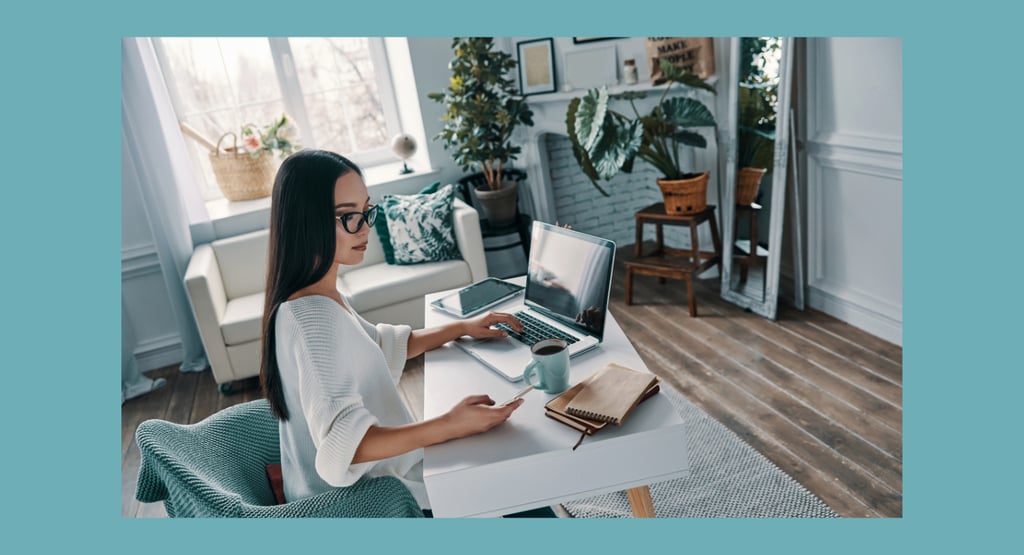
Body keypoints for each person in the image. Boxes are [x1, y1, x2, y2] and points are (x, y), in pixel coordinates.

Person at [259, 149, 547, 516]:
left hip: (386, 482)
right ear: (305, 222)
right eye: (348, 217)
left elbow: (380, 344)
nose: (365, 228)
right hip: (372, 506)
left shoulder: (314, 300)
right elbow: (345, 445)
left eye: (366, 211)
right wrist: (448, 425)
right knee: (526, 491)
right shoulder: (312, 320)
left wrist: (462, 327)